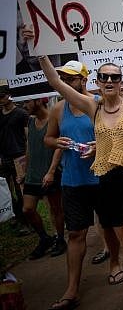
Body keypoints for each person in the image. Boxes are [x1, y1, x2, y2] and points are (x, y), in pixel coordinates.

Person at [34, 17, 123, 310]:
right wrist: (40, 49)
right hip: (107, 180)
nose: (109, 81)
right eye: (104, 77)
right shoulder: (91, 106)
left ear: (121, 82)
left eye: (114, 77)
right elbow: (55, 81)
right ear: (96, 82)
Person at [43, 60, 123, 310]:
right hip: (72, 180)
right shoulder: (58, 109)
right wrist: (58, 143)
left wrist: (100, 147)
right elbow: (48, 138)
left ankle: (115, 264)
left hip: (101, 177)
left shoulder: (99, 104)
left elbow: (118, 137)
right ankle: (71, 289)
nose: (67, 82)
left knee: (109, 225)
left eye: (72, 78)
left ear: (84, 79)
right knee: (76, 233)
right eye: (64, 78)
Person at [22, 98, 66, 259]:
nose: (24, 105)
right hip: (33, 174)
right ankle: (44, 238)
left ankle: (60, 239)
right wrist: (24, 170)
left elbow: (59, 147)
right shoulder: (31, 122)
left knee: (56, 209)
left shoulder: (54, 120)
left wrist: (52, 171)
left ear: (39, 101)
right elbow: (29, 146)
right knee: (27, 209)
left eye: (27, 102)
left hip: (50, 172)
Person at [0, 84, 30, 236]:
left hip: (19, 156)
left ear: (8, 96)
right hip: (4, 157)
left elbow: (27, 136)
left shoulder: (20, 113)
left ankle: (27, 222)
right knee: (6, 190)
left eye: (2, 96)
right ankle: (16, 216)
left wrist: (27, 156)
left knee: (21, 190)